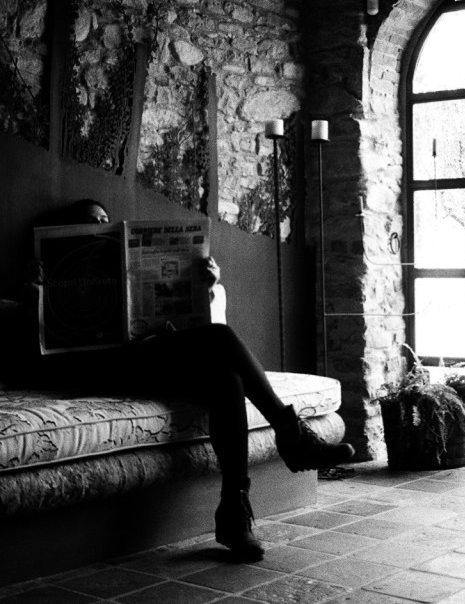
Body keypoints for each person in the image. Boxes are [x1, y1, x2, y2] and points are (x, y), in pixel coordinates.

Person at [28, 199, 354, 562]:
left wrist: (206, 288)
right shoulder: (45, 280)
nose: (100, 225)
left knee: (227, 380)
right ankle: (291, 436)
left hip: (153, 359)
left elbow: (192, 323)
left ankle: (234, 512)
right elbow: (37, 355)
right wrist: (36, 295)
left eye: (105, 220)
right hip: (107, 366)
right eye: (90, 222)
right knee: (221, 338)